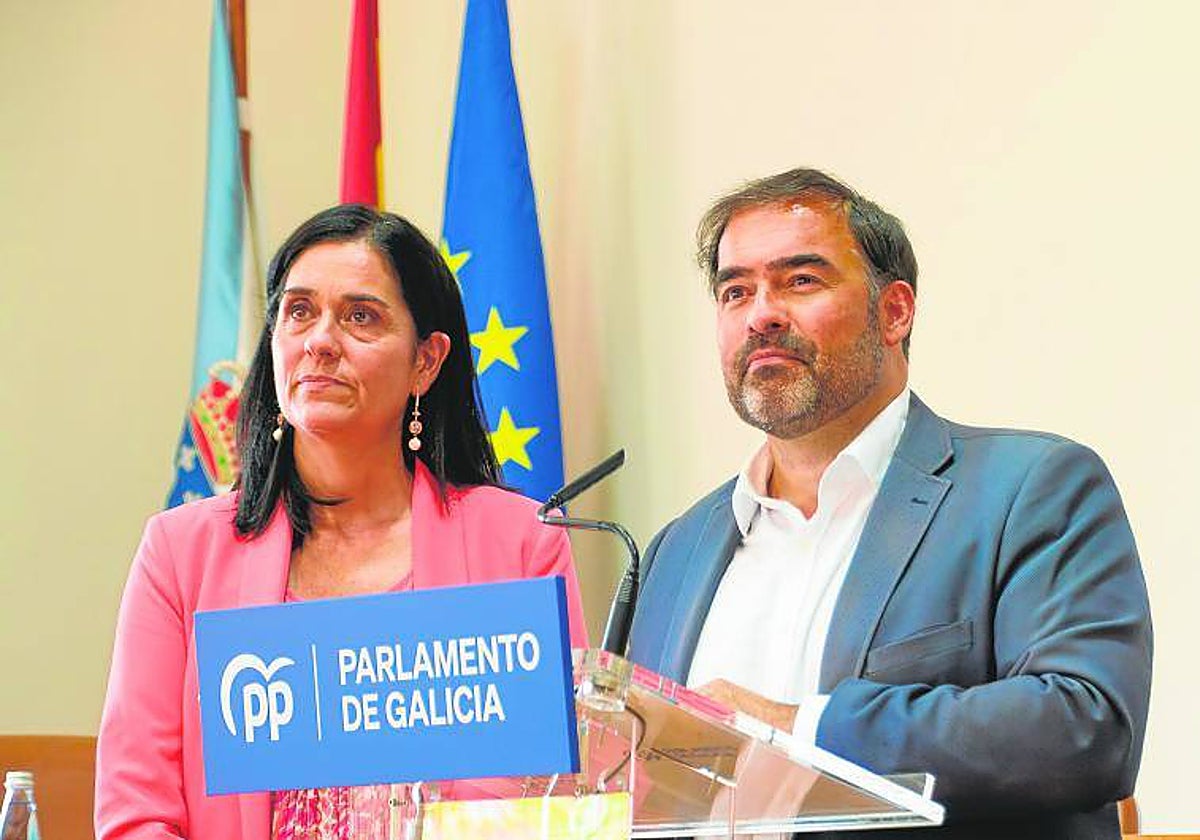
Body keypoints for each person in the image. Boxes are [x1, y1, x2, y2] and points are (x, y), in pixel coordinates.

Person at [627, 168, 1151, 839]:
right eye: (736, 291)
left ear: (895, 311)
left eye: (801, 280)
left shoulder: (1032, 489)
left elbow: (1086, 727)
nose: (761, 313)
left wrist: (794, 728)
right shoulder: (678, 548)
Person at [95, 205, 588, 840]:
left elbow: (557, 801)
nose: (320, 339)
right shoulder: (179, 552)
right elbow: (136, 813)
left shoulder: (521, 544)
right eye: (298, 312)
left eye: (360, 316)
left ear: (426, 362)